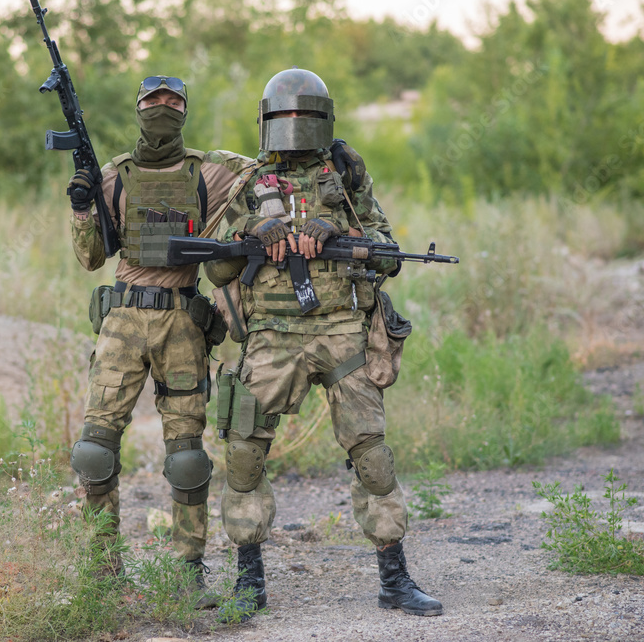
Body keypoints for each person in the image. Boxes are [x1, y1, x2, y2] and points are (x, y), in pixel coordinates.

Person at [204, 68, 443, 622]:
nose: (293, 126)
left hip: (341, 332)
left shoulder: (346, 178)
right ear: (266, 122)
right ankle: (249, 583)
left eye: (304, 115)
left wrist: (340, 238)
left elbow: (388, 255)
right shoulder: (248, 184)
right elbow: (215, 268)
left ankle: (395, 579)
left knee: (372, 456)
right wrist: (251, 239)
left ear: (324, 120)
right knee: (243, 453)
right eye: (284, 116)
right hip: (272, 338)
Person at [68, 75, 253, 607]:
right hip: (122, 321)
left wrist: (329, 157)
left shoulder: (211, 171)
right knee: (94, 451)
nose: (163, 109)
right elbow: (89, 258)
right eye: (154, 100)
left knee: (187, 457)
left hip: (181, 324)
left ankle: (187, 573)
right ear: (139, 108)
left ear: (185, 110)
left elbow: (265, 174)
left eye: (174, 101)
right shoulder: (113, 177)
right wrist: (83, 206)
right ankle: (102, 573)